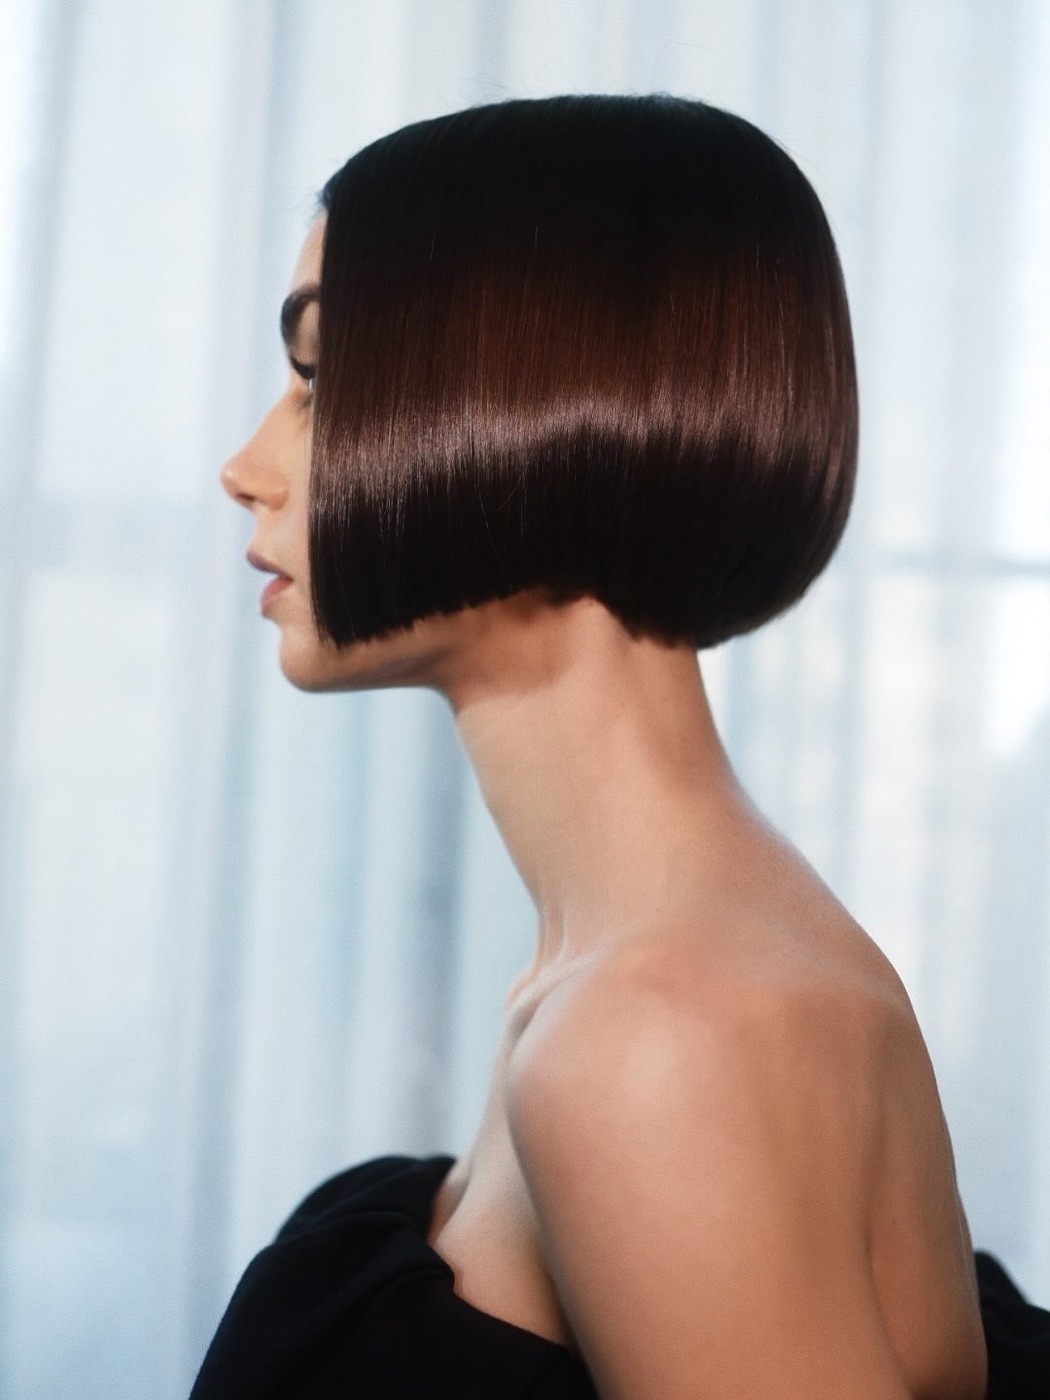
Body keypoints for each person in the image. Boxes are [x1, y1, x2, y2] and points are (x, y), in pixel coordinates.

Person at [198, 95, 1049, 1398]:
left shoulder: (657, 1039)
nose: (245, 465)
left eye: (321, 381)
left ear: (545, 408)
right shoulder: (625, 978)